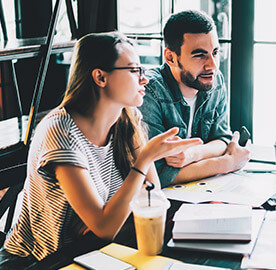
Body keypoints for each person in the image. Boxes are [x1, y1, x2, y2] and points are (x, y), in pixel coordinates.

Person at [1, 32, 202, 262]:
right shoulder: (61, 131)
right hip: (40, 261)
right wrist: (143, 161)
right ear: (100, 77)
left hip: (94, 250)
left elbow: (150, 192)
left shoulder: (127, 118)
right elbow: (106, 226)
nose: (144, 79)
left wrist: (103, 215)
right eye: (134, 70)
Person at [138, 10, 249, 188]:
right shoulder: (149, 92)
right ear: (170, 57)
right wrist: (226, 163)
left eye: (215, 52)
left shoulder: (213, 79)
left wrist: (193, 154)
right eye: (199, 55)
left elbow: (222, 139)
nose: (212, 65)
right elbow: (157, 174)